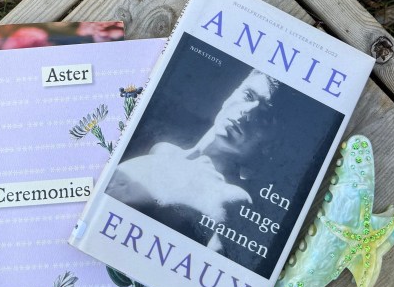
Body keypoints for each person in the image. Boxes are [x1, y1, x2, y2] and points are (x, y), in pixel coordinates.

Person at [106, 69, 280, 260]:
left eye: (264, 115)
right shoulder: (163, 150)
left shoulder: (233, 198)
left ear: (269, 146)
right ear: (230, 96)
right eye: (248, 95)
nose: (247, 112)